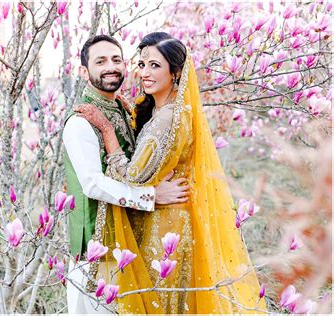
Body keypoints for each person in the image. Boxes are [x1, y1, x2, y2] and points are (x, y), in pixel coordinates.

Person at [76, 32, 267, 314]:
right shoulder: (164, 110)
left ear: (175, 72)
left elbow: (132, 176)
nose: (145, 73)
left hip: (166, 225)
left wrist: (106, 131)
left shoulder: (168, 118)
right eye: (142, 65)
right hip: (171, 219)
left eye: (155, 65)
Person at [62, 35, 190, 314]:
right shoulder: (80, 122)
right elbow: (93, 184)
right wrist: (151, 196)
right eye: (101, 61)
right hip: (98, 249)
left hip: (129, 242)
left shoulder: (123, 109)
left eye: (116, 59)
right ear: (84, 71)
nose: (111, 67)